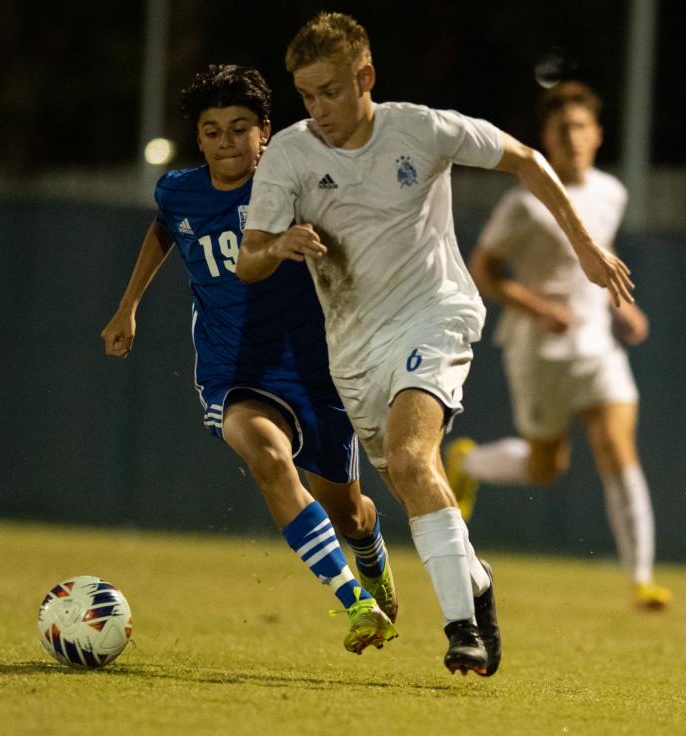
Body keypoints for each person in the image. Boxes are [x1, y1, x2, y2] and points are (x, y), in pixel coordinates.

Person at [237, 13, 634, 676]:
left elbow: (527, 160)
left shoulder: (421, 128)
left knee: (412, 457)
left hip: (436, 316)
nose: (318, 108)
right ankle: (473, 579)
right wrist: (277, 246)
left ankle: (461, 629)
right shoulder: (291, 155)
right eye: (306, 95)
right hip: (354, 350)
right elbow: (249, 259)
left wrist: (587, 249)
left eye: (330, 90)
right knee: (411, 480)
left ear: (365, 77)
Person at [101, 64, 399, 655]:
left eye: (239, 129)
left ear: (266, 133)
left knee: (351, 515)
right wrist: (128, 305)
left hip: (316, 372)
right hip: (233, 371)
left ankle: (368, 551)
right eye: (212, 131)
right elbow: (165, 228)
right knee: (267, 455)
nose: (225, 143)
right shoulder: (179, 190)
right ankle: (355, 604)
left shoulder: (298, 185)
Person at [445, 81, 671, 611]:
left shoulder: (612, 193)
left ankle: (641, 578)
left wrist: (624, 305)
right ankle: (469, 460)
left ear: (597, 135)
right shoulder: (525, 203)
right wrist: (537, 307)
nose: (570, 136)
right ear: (545, 137)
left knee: (618, 449)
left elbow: (599, 249)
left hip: (597, 349)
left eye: (579, 127)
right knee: (548, 468)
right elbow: (483, 271)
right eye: (560, 128)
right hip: (538, 350)